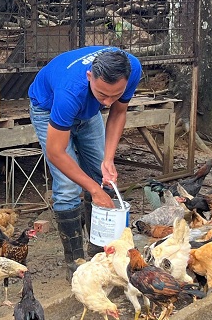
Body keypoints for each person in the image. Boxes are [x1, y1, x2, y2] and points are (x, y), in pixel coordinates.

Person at [28, 46, 141, 277]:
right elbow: (56, 152)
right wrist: (91, 188)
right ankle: (76, 265)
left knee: (103, 179)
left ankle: (99, 249)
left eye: (115, 95)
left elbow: (118, 112)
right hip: (48, 108)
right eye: (103, 95)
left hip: (88, 112)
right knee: (69, 187)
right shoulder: (70, 92)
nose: (108, 102)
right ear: (90, 76)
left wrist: (108, 159)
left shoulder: (132, 68)